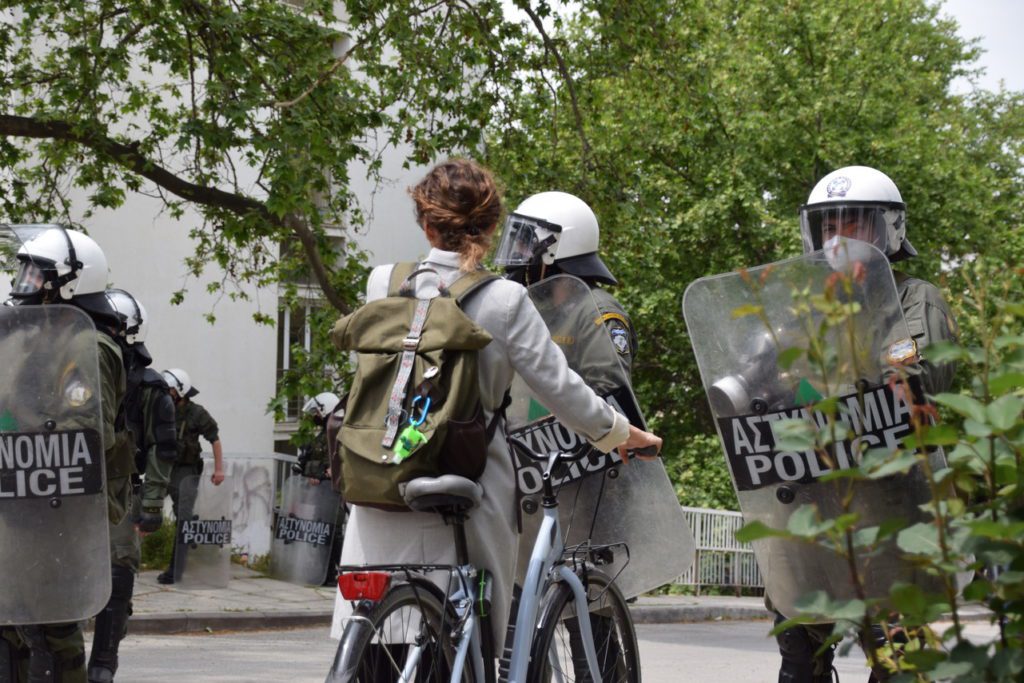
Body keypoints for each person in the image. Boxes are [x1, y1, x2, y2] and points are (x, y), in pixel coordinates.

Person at [331, 158, 662, 653]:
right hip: (464, 486)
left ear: (425, 221)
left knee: (383, 633)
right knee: (476, 636)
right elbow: (562, 388)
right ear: (490, 228)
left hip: (376, 478)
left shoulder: (381, 282)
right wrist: (620, 433)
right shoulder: (503, 299)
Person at [770, 165, 959, 682]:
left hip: (893, 506)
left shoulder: (914, 298)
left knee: (896, 663)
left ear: (885, 231)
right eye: (827, 226)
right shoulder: (802, 311)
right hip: (815, 505)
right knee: (798, 661)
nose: (837, 238)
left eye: (851, 224)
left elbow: (918, 378)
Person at [0, 225, 130, 682]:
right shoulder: (39, 339)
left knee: (54, 626)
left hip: (62, 507)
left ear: (69, 281)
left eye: (38, 274)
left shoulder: (86, 344)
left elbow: (86, 432)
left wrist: (21, 440)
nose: (27, 283)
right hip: (25, 501)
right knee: (14, 622)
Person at [87, 289, 176, 682]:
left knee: (119, 566)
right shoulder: (84, 361)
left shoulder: (150, 386)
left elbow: (164, 446)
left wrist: (152, 504)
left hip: (124, 490)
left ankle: (104, 661)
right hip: (76, 485)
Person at [497, 190, 637, 375]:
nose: (517, 252)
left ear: (555, 249)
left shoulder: (597, 314)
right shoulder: (535, 306)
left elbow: (609, 394)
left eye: (525, 243)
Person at [157, 368, 225, 585]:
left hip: (186, 472)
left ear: (180, 391)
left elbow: (214, 438)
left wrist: (219, 469)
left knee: (184, 519)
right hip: (163, 467)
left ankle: (176, 569)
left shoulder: (196, 413)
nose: (166, 394)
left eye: (170, 390)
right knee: (142, 508)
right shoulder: (162, 409)